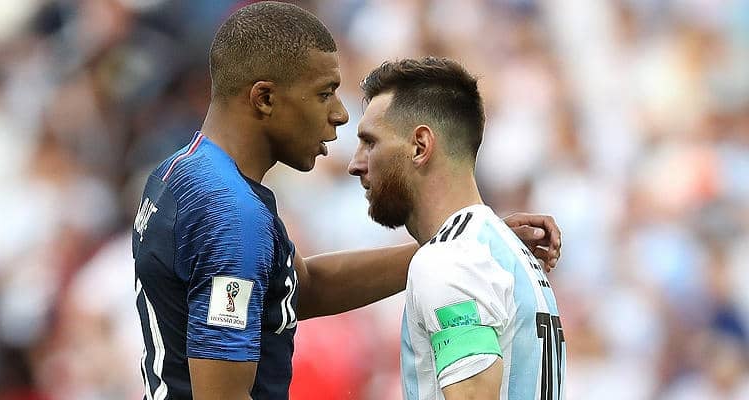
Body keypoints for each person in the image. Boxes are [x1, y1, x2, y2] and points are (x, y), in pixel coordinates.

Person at [132, 2, 561, 400]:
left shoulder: (181, 175)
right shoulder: (230, 213)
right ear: (265, 98)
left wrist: (459, 241)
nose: (340, 113)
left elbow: (299, 288)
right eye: (325, 93)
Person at [348, 57, 566, 400]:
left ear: (420, 146)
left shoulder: (449, 262)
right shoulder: (496, 251)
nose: (355, 164)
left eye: (370, 142)